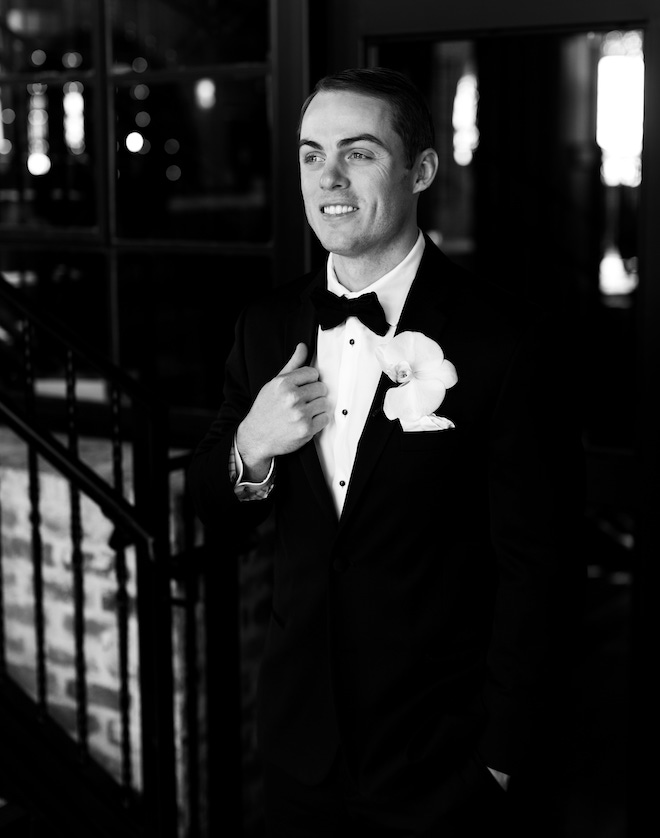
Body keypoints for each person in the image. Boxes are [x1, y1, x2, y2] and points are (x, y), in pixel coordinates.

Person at [189, 67, 584, 837]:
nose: (327, 177)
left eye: (359, 153)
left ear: (422, 169)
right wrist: (251, 445)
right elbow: (211, 512)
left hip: (446, 762)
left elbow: (542, 568)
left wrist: (501, 754)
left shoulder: (507, 340)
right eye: (310, 154)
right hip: (301, 753)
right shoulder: (265, 325)